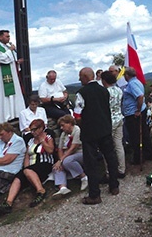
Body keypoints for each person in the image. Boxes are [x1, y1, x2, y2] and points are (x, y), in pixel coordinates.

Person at [76, 67, 120, 205]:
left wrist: (84, 125)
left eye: (80, 77)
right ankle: (114, 185)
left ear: (84, 77)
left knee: (91, 163)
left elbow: (77, 116)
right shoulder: (104, 91)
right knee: (110, 157)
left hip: (90, 133)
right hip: (105, 129)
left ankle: (94, 194)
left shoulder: (81, 93)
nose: (79, 79)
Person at [0, 119, 55, 212]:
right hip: (32, 166)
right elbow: (27, 156)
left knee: (27, 171)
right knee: (18, 177)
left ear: (41, 128)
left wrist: (42, 141)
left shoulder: (48, 137)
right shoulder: (30, 141)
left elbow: (50, 150)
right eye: (31, 130)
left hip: (44, 163)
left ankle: (41, 191)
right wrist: (26, 167)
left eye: (35, 129)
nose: (33, 132)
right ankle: (8, 202)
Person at [0, 29, 25, 123]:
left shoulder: (7, 47)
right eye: (7, 36)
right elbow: (1, 59)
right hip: (0, 77)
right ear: (0, 37)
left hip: (12, 76)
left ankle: (15, 114)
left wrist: (17, 63)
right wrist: (10, 51)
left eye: (9, 36)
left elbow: (11, 61)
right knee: (3, 95)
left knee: (14, 94)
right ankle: (5, 116)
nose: (9, 38)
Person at [123, 66, 152, 166]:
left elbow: (140, 96)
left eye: (124, 74)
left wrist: (137, 110)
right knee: (144, 133)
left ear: (127, 75)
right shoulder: (137, 81)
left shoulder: (132, 84)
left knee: (135, 136)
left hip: (134, 114)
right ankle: (148, 153)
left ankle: (138, 157)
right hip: (137, 111)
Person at [51, 115, 87, 198]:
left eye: (63, 125)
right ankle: (63, 187)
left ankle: (84, 177)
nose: (61, 128)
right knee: (56, 167)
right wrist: (60, 161)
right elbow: (60, 149)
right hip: (67, 155)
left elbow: (73, 148)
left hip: (80, 153)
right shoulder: (64, 134)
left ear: (69, 123)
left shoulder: (77, 130)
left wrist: (61, 160)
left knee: (67, 161)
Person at [100, 70, 126, 178]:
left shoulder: (105, 92)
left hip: (109, 121)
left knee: (107, 148)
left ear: (104, 80)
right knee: (119, 145)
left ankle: (109, 171)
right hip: (119, 118)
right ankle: (122, 169)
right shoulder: (119, 90)